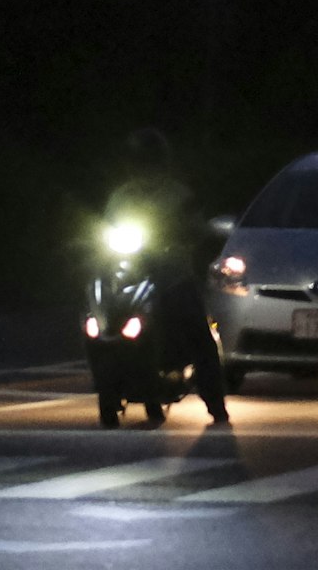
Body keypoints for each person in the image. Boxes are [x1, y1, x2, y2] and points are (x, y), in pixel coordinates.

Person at [101, 128, 230, 424]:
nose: (144, 168)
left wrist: (192, 233)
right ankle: (108, 381)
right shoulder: (120, 198)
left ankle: (216, 402)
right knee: (100, 319)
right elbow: (104, 230)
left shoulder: (178, 194)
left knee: (201, 336)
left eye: (150, 161)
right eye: (138, 161)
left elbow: (197, 226)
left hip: (172, 275)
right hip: (131, 279)